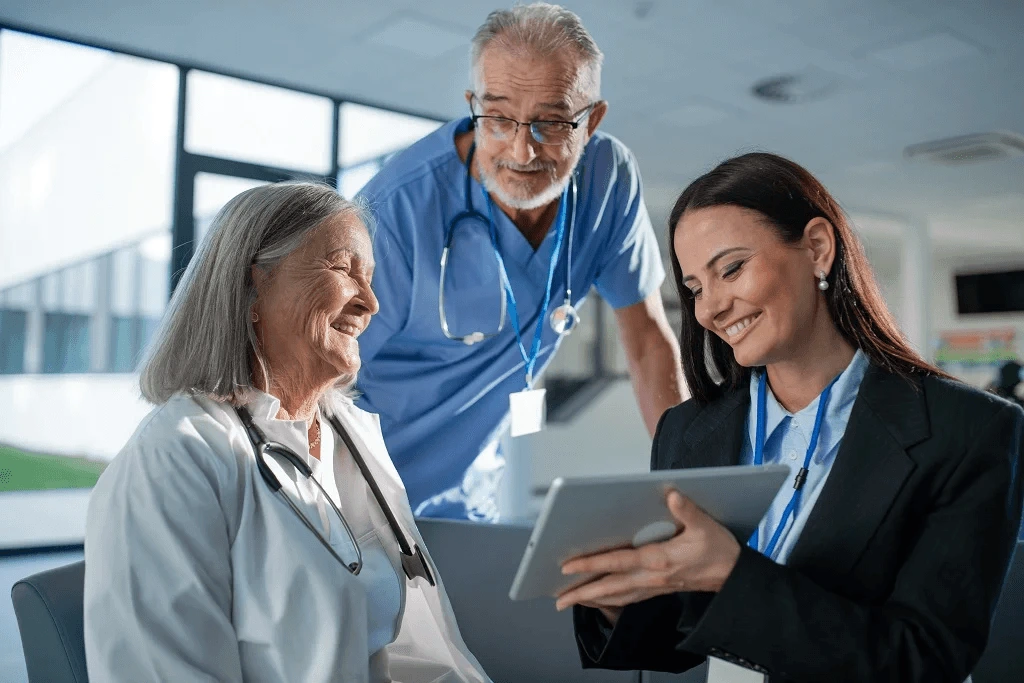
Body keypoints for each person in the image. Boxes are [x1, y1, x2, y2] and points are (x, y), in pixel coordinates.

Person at [557, 153, 1024, 682]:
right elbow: (679, 636)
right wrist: (620, 598)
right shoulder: (687, 430)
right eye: (694, 289)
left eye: (730, 269)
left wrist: (732, 576)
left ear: (818, 249)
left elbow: (924, 661)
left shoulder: (968, 431)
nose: (709, 309)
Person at [84, 183, 489, 683]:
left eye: (370, 277)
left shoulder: (351, 438)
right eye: (343, 269)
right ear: (253, 286)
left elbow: (414, 651)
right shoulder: (175, 459)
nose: (371, 303)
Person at [354, 2, 685, 521]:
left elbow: (646, 341)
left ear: (591, 120)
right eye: (499, 117)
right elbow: (315, 375)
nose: (522, 151)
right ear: (472, 105)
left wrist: (689, 480)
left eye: (551, 123)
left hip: (473, 500)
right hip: (363, 495)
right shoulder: (394, 211)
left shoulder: (607, 180)